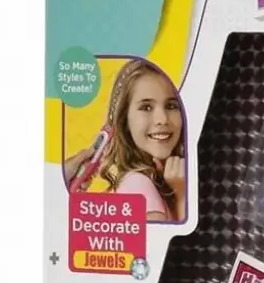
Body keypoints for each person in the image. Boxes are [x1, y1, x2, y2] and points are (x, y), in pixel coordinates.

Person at [64, 59, 186, 222]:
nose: (162, 119)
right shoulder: (138, 186)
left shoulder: (156, 180)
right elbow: (168, 239)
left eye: (171, 106)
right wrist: (183, 195)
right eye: (146, 107)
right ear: (125, 120)